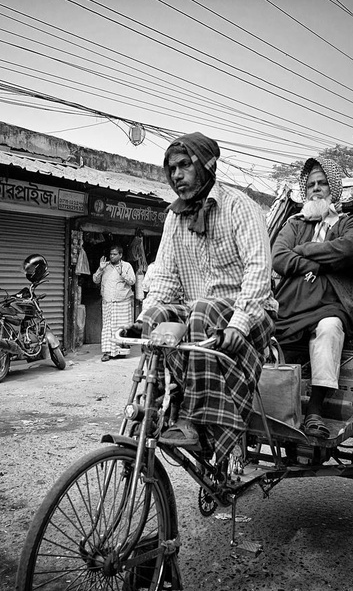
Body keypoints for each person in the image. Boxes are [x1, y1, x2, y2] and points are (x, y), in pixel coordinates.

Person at [134, 132, 277, 463]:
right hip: (202, 317)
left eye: (184, 165)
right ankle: (157, 406)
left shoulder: (239, 207)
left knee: (201, 311)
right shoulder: (174, 216)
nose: (177, 175)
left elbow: (258, 274)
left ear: (207, 166)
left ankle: (194, 421)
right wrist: (144, 320)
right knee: (159, 320)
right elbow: (167, 278)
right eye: (171, 169)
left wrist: (240, 324)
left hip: (250, 316)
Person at [271, 157, 353, 438]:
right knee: (262, 334)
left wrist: (302, 251)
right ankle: (274, 409)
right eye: (312, 185)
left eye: (323, 184)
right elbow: (279, 258)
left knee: (328, 328)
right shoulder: (294, 224)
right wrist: (319, 261)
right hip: (291, 306)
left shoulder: (351, 223)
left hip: (334, 305)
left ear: (334, 190)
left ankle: (315, 411)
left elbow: (347, 250)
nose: (316, 189)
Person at [93, 244, 136, 362]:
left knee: (121, 327)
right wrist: (100, 269)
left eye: (115, 254)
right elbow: (95, 280)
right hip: (108, 302)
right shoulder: (105, 266)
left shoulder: (127, 266)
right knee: (108, 328)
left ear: (120, 255)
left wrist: (122, 273)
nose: (112, 256)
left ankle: (121, 352)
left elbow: (132, 281)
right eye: (111, 254)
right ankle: (107, 352)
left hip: (123, 301)